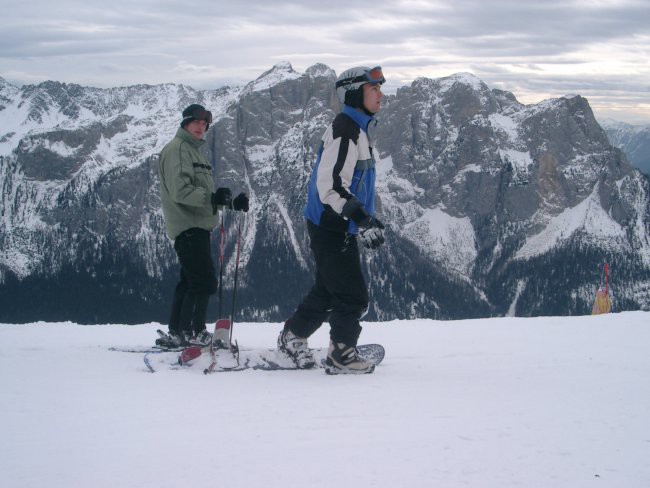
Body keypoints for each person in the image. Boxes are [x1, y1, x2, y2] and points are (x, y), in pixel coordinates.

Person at [277, 67, 387, 374]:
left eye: (379, 87)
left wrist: (364, 219)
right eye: (373, 88)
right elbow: (331, 186)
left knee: (327, 291)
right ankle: (342, 354)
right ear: (353, 93)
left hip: (334, 223)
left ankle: (293, 335)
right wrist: (361, 220)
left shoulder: (358, 128)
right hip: (330, 225)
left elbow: (352, 185)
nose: (380, 93)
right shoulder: (347, 130)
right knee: (352, 295)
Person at [156, 104, 249, 348]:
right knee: (204, 282)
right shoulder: (178, 150)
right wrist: (212, 198)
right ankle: (192, 332)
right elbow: (181, 191)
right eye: (196, 121)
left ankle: (178, 332)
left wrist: (230, 203)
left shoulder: (193, 151)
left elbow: (204, 194)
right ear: (185, 123)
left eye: (205, 123)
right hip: (188, 225)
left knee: (190, 281)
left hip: (196, 224)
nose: (201, 126)